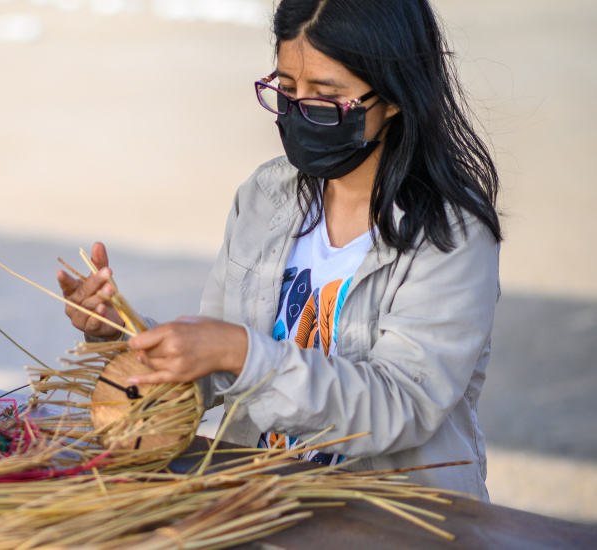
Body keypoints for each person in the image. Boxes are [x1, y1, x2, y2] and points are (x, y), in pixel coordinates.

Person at [56, 0, 501, 501]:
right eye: (287, 91)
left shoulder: (450, 232)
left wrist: (242, 353)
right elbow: (213, 367)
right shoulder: (266, 195)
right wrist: (124, 337)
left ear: (394, 97)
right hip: (257, 500)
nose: (298, 112)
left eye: (324, 98)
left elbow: (401, 407)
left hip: (389, 518)